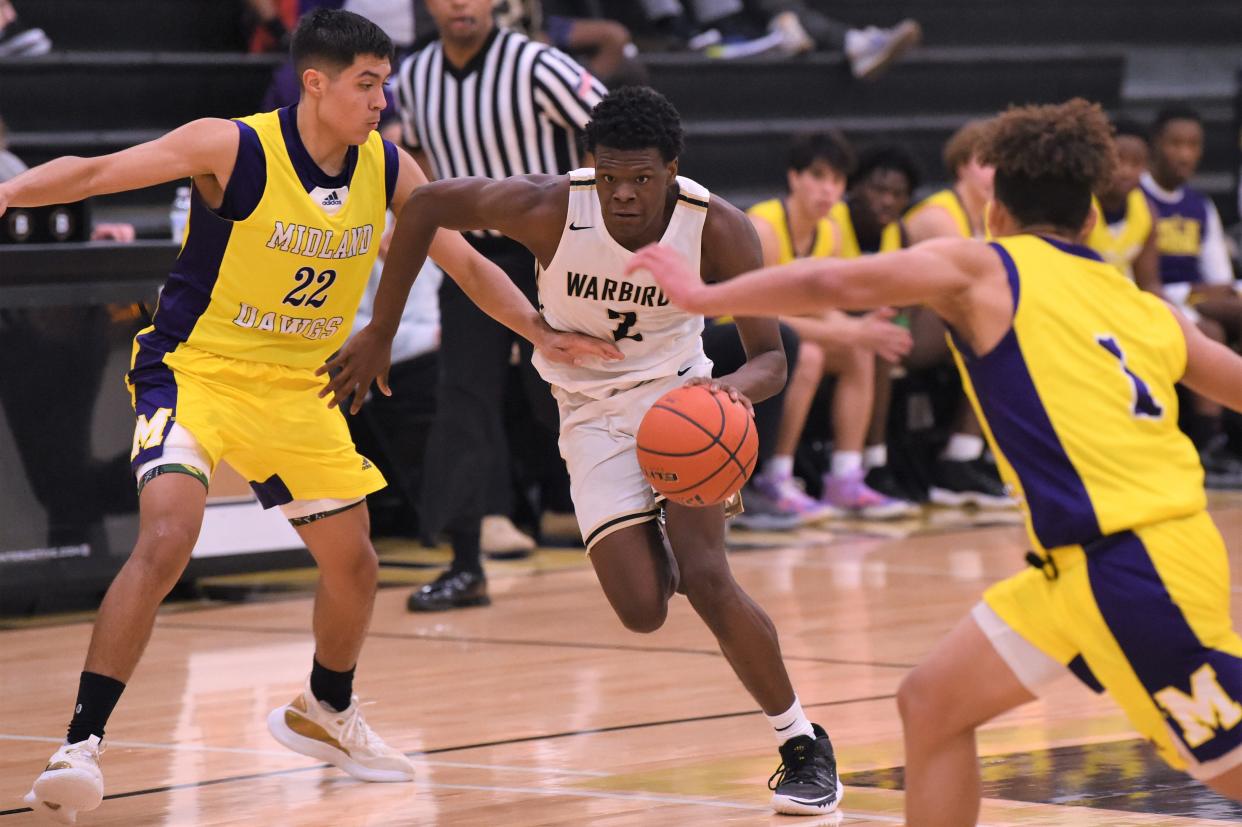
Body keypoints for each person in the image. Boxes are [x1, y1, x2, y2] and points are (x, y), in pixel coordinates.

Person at [2, 10, 615, 823]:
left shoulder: (389, 166)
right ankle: (79, 745)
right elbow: (93, 173)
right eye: (366, 84)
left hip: (297, 387)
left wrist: (539, 330)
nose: (380, 101)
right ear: (315, 83)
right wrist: (9, 191)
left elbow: (465, 261)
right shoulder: (232, 145)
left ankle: (325, 709)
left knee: (355, 565)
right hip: (198, 373)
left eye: (385, 85)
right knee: (166, 536)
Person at [632, 97, 1242, 824]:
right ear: (1088, 219)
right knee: (932, 703)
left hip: (1133, 571)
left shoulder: (985, 266)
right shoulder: (1148, 308)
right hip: (1079, 570)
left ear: (996, 212)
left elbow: (833, 283)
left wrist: (705, 293)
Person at [324, 85, 844, 816]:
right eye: (608, 178)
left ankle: (803, 744)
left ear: (672, 168)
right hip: (589, 412)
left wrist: (722, 398)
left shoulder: (720, 230)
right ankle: (657, 521)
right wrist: (379, 327)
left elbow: (772, 362)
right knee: (641, 608)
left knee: (705, 575)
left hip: (684, 396)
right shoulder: (546, 206)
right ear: (588, 167)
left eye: (640, 179)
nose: (623, 196)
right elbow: (426, 204)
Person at [395, 0, 608, 611]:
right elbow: (422, 163)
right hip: (475, 264)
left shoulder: (539, 66)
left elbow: (616, 135)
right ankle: (466, 565)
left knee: (569, 395)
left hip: (557, 258)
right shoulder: (412, 78)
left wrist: (603, 228)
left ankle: (650, 517)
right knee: (462, 404)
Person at [747, 131, 912, 521]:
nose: (828, 190)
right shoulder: (763, 227)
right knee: (810, 354)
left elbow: (818, 309)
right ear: (794, 178)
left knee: (858, 349)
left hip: (783, 335)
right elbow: (755, 314)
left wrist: (864, 329)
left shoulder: (829, 234)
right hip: (727, 334)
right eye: (818, 177)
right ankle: (775, 476)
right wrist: (849, 330)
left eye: (836, 181)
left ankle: (845, 478)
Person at [904, 119, 1014, 509]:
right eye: (986, 163)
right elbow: (967, 284)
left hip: (945, 324)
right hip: (903, 325)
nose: (995, 174)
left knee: (1004, 325)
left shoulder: (992, 215)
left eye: (1002, 164)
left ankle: (975, 454)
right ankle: (963, 455)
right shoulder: (939, 215)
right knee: (990, 320)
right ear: (962, 165)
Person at [1142, 105, 1242, 485]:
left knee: (1219, 318)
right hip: (1153, 301)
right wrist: (1192, 293)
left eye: (1193, 144)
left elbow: (1220, 278)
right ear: (1156, 146)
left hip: (1192, 302)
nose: (1184, 153)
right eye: (1175, 143)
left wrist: (1198, 293)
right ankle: (1207, 443)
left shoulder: (1200, 206)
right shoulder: (1138, 200)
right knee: (1209, 330)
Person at [829, 144, 923, 507]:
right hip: (828, 325)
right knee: (873, 345)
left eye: (897, 194)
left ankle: (878, 463)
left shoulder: (898, 233)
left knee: (886, 341)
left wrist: (899, 326)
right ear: (854, 187)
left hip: (866, 327)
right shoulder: (832, 221)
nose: (886, 200)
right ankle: (864, 465)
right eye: (878, 189)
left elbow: (906, 292)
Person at [1086, 120, 1160, 291]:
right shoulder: (1080, 209)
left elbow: (1149, 284)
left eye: (1136, 163)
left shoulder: (1147, 211)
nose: (1126, 172)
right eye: (1118, 160)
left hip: (1122, 302)